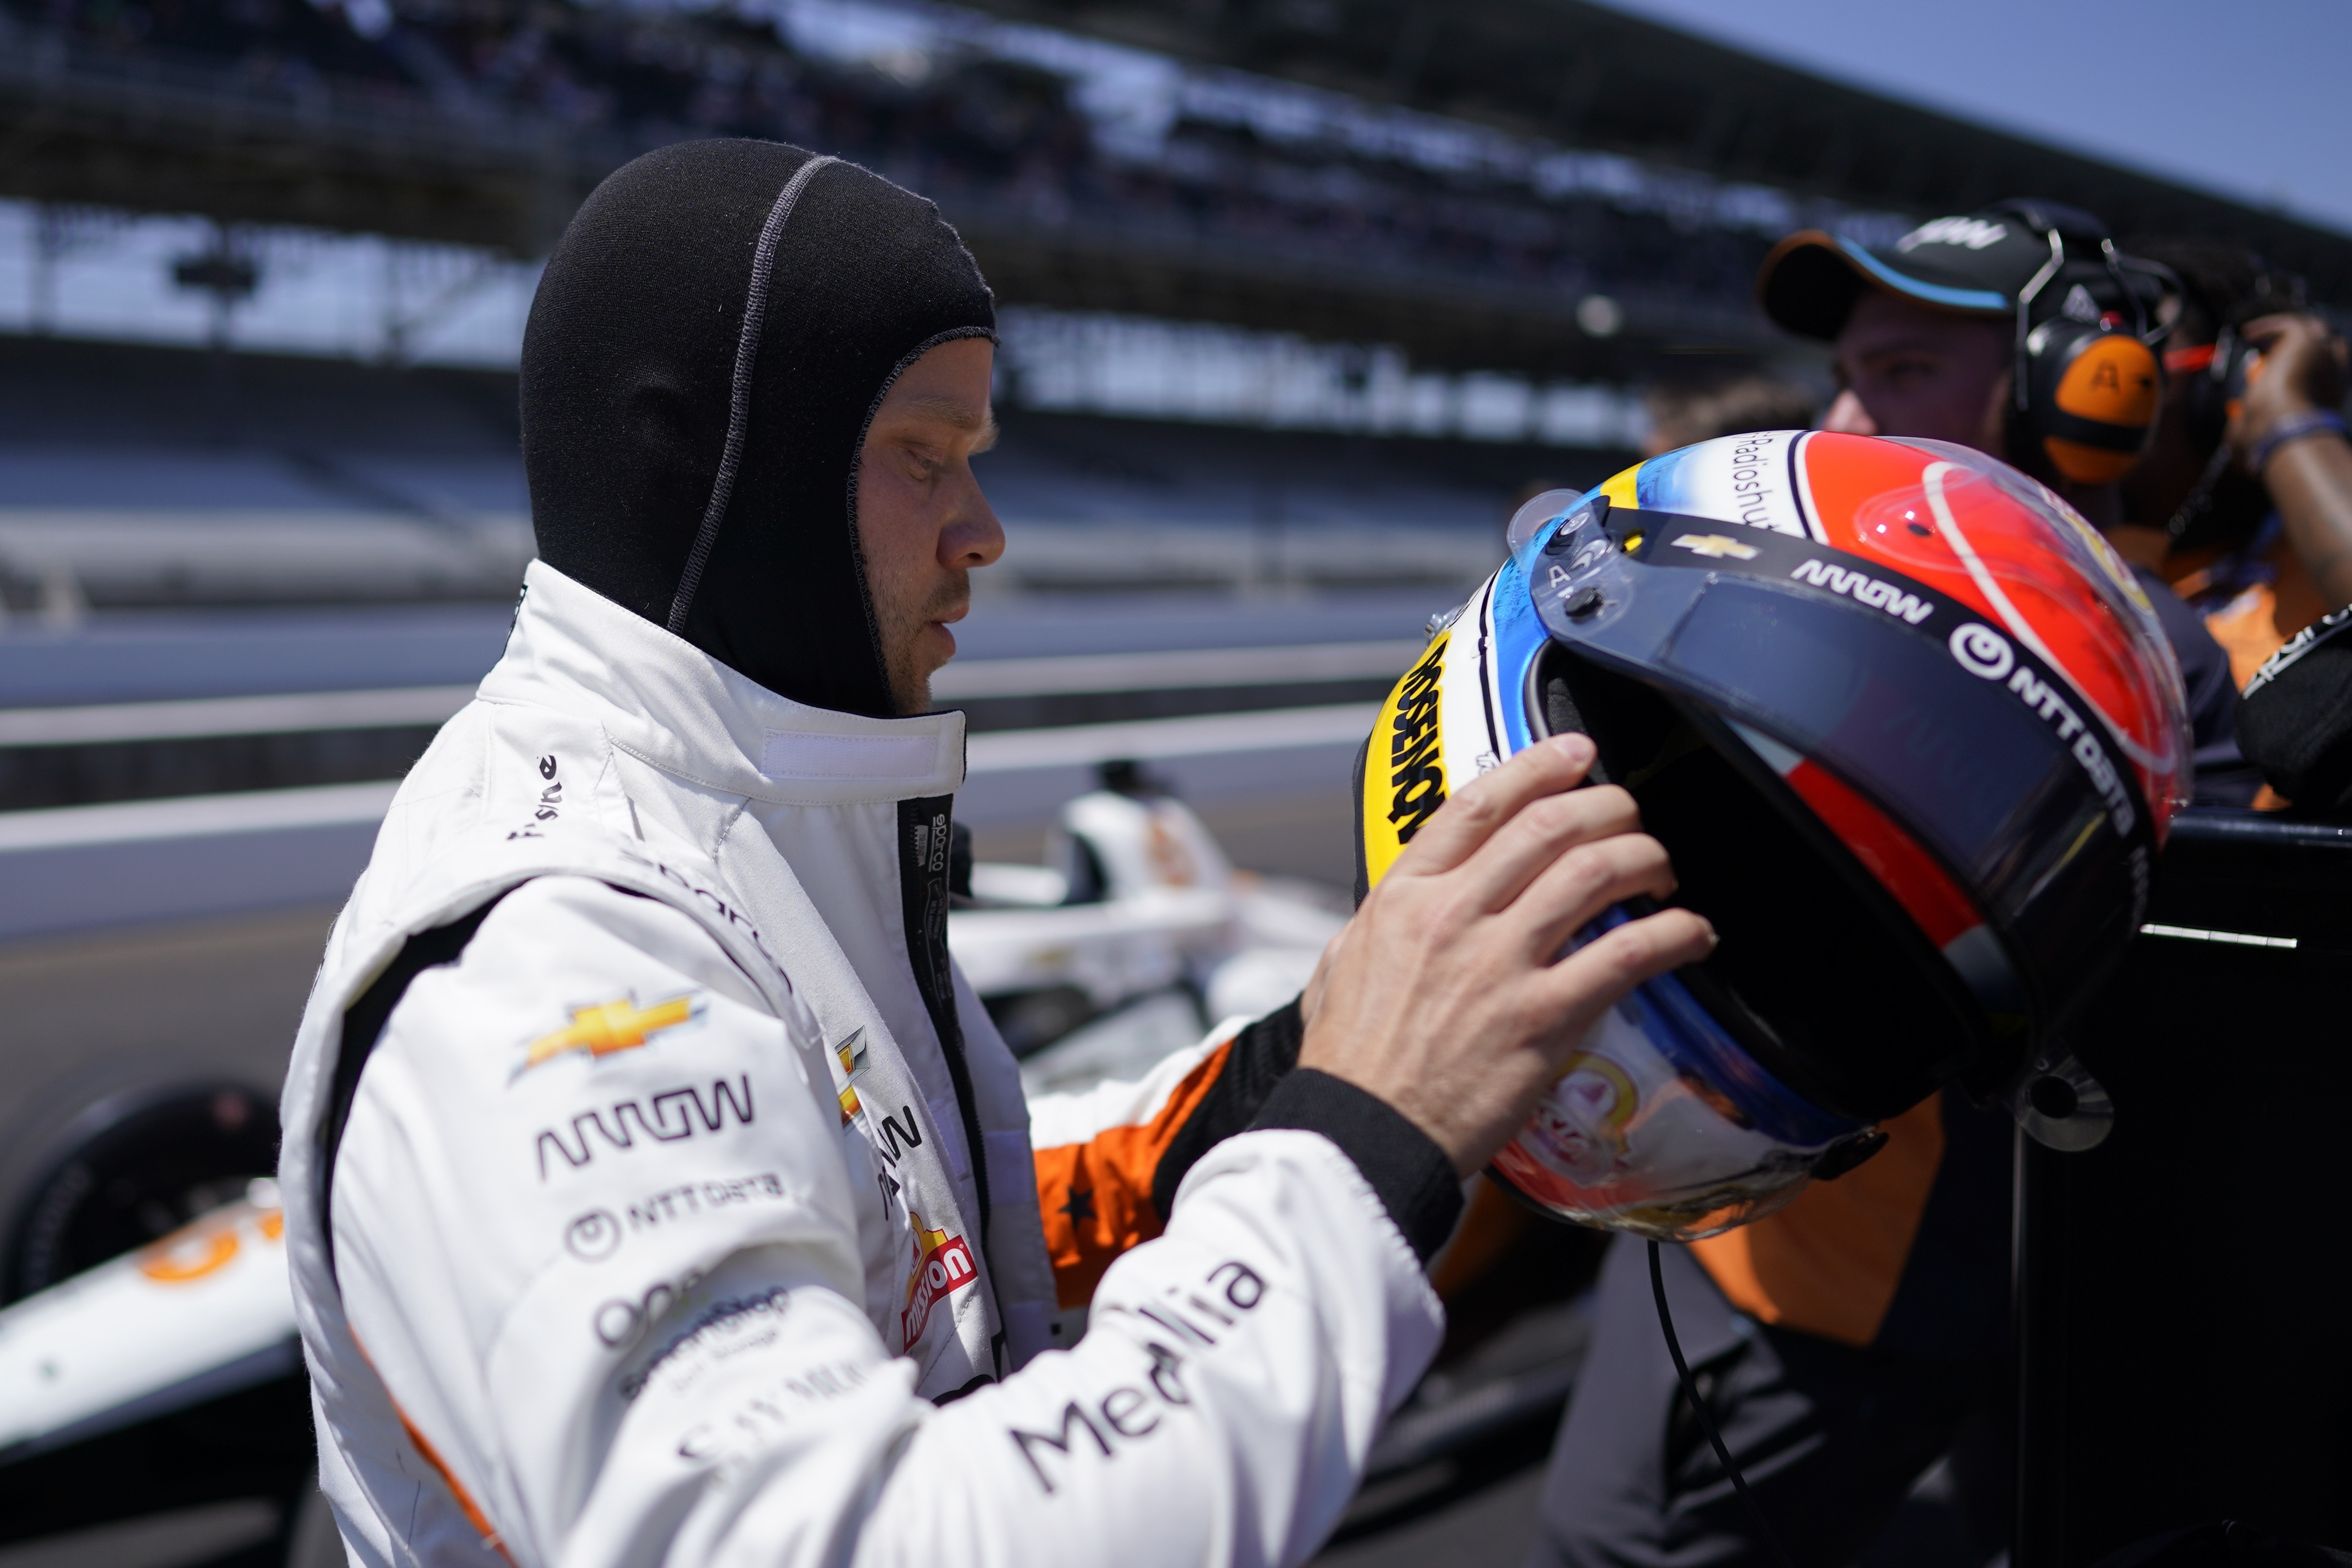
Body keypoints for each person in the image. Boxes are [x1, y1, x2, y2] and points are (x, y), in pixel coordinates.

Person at [276, 139, 1720, 1568]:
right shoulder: (549, 962)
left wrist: (1318, 1054)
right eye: (923, 456)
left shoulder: (741, 830)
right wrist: (1364, 1137)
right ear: (715, 464)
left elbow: (917, 1207)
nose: (985, 531)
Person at [1527, 200, 2223, 1568]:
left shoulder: (2154, 683)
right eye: (1845, 372)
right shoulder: (1797, 585)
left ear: (2078, 397)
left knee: (1604, 1549)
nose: (1841, 416)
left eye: (1899, 373)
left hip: (1859, 1289)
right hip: (1700, 1197)